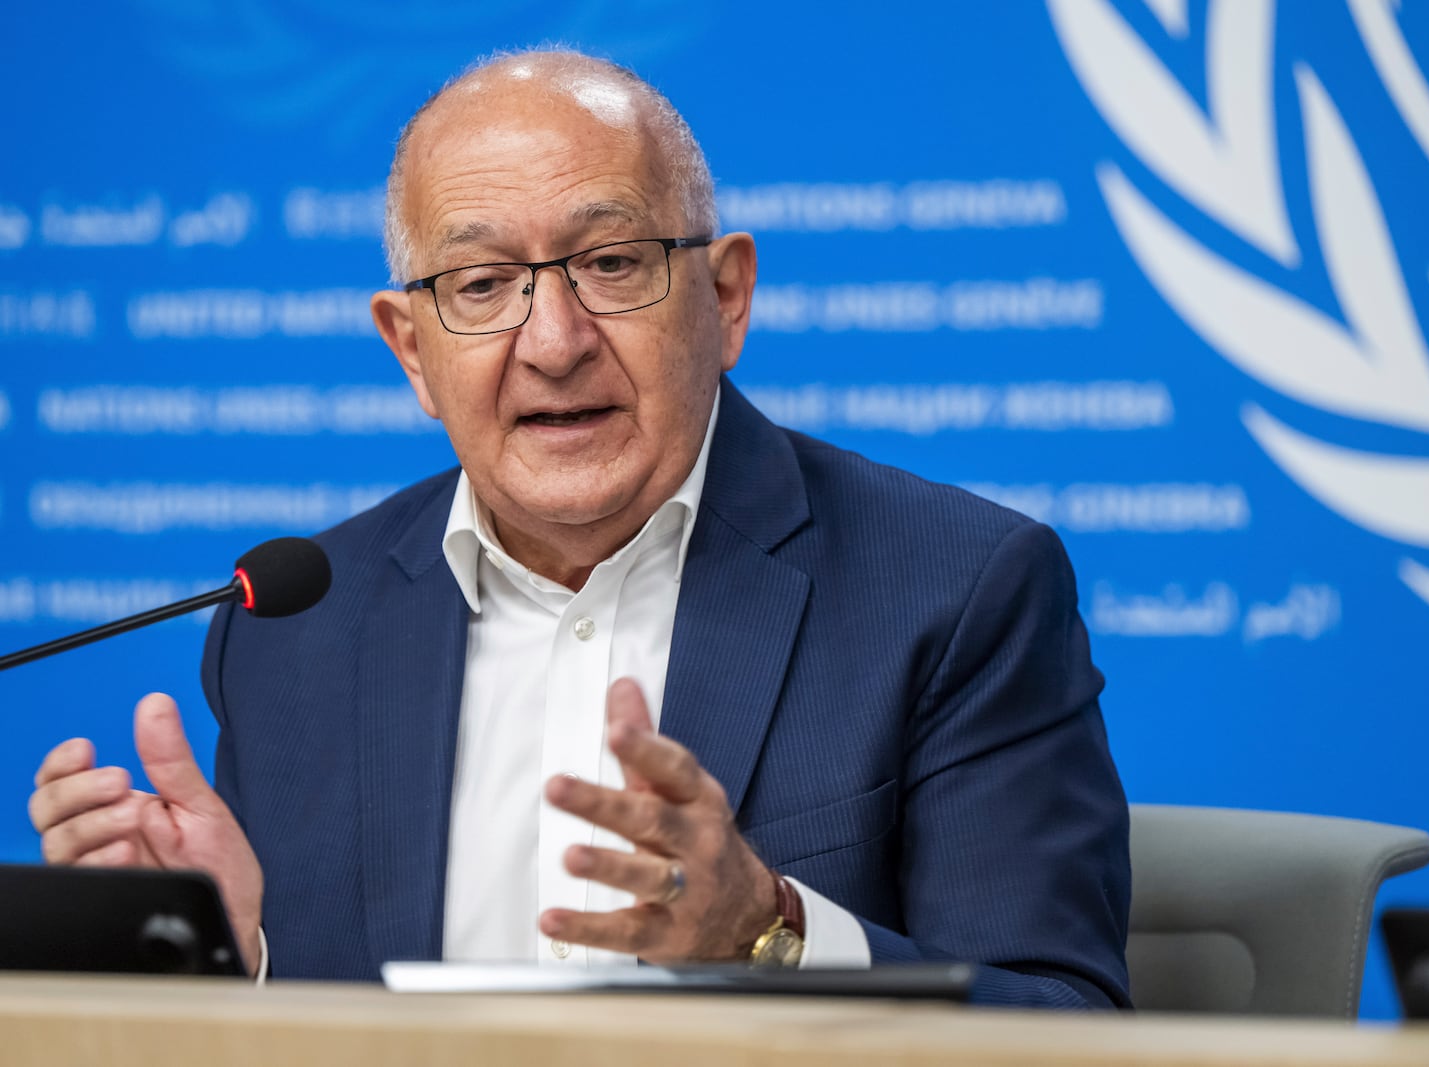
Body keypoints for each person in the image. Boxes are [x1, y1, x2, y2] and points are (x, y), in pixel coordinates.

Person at [27, 49, 1131, 1009]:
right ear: (412, 350)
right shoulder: (294, 628)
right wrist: (229, 956)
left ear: (727, 295)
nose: (553, 340)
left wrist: (773, 937)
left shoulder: (954, 588)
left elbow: (1061, 1024)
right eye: (482, 283)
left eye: (610, 264)